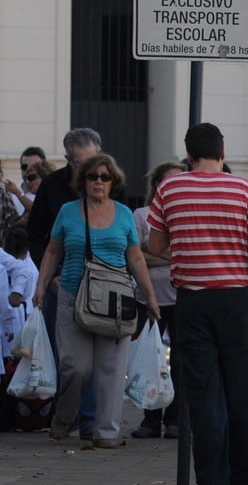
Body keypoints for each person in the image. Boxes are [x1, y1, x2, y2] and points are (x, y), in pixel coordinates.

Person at [147, 123, 248, 485]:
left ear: (188, 155)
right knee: (244, 390)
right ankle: (243, 476)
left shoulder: (169, 189)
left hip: (191, 303)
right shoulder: (244, 189)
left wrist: (188, 248)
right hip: (235, 300)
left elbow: (155, 244)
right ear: (222, 152)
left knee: (203, 393)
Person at [34, 153, 160, 449]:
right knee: (75, 367)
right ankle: (65, 416)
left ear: (113, 182)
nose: (99, 182)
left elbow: (136, 257)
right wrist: (40, 285)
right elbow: (53, 251)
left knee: (112, 371)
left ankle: (106, 433)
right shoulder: (68, 211)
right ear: (83, 181)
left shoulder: (125, 214)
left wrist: (151, 297)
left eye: (105, 177)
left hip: (116, 301)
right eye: (93, 176)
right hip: (73, 297)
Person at [28, 128, 105, 439]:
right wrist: (50, 277)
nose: (91, 172)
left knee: (95, 359)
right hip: (63, 284)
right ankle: (67, 413)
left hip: (102, 283)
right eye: (81, 164)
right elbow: (39, 238)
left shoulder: (110, 182)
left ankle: (87, 420)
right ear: (68, 161)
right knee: (68, 358)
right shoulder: (52, 187)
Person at [129, 162, 186, 440]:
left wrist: (154, 254)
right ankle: (150, 419)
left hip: (180, 298)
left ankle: (174, 419)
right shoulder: (142, 215)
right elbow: (136, 255)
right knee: (147, 360)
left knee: (180, 361)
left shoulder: (187, 214)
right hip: (147, 296)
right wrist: (168, 256)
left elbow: (182, 255)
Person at [4, 227, 38, 353]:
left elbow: (15, 300)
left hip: (21, 321)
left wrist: (3, 296)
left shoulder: (19, 268)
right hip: (33, 316)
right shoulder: (32, 262)